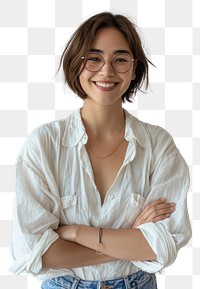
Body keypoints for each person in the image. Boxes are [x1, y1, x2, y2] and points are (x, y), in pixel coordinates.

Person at [10, 12, 192, 289]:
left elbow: (162, 247)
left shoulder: (158, 145)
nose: (107, 71)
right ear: (75, 64)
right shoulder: (44, 144)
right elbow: (35, 252)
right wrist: (129, 239)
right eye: (93, 58)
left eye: (120, 59)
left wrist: (74, 232)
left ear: (134, 69)